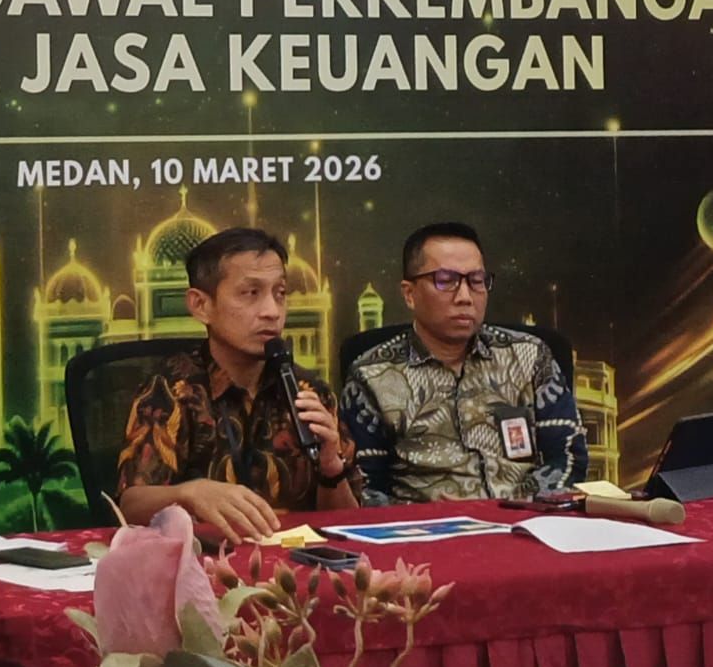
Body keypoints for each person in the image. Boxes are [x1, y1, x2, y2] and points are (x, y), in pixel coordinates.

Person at [116, 227, 360, 544]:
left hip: (295, 561)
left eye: (280, 293)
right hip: (208, 564)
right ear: (201, 305)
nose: (272, 312)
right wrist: (188, 493)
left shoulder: (308, 391)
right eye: (250, 293)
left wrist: (331, 468)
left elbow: (347, 527)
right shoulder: (171, 390)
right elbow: (129, 507)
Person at [341, 222, 588, 505]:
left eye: (476, 281)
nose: (465, 297)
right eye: (445, 280)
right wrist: (425, 515)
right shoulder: (372, 375)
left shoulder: (530, 356)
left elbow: (568, 458)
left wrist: (511, 507)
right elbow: (363, 489)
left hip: (525, 520)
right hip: (424, 529)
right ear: (409, 294)